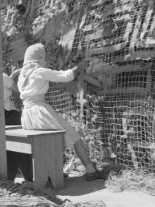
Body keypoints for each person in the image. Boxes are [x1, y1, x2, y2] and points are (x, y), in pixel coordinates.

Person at [17, 43, 102, 181]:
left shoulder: (22, 76)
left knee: (48, 143)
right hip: (40, 112)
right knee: (73, 137)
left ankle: (52, 172)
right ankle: (90, 169)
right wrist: (79, 67)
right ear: (39, 56)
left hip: (27, 114)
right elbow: (65, 76)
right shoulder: (39, 71)